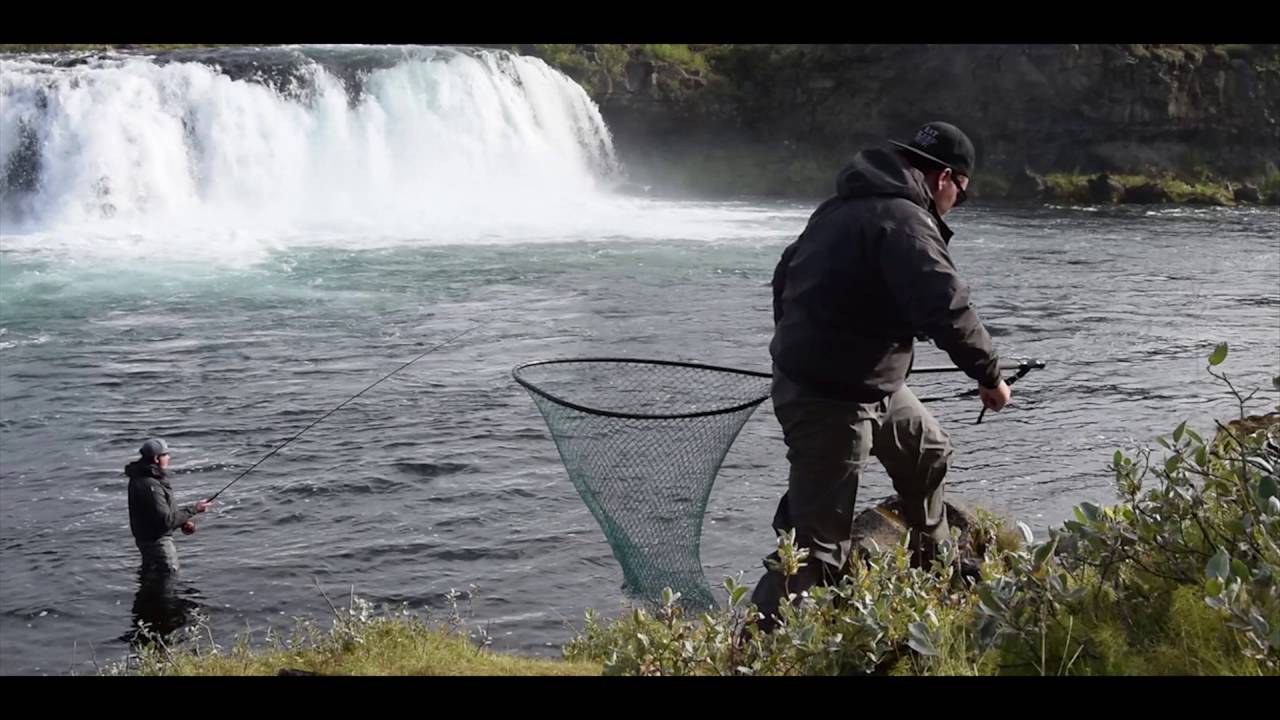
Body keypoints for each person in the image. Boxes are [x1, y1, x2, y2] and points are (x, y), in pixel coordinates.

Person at [750, 121, 1011, 628]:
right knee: (817, 545)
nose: (957, 202)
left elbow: (785, 277)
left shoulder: (843, 208)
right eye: (961, 192)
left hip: (873, 381)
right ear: (944, 178)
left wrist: (824, 340)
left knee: (928, 451)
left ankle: (937, 567)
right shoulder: (904, 220)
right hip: (829, 397)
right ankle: (756, 644)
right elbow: (946, 306)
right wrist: (990, 377)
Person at [125, 438, 212, 575]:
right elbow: (165, 521)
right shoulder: (150, 484)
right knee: (168, 579)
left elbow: (156, 514)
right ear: (156, 458)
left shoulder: (141, 477)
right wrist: (194, 509)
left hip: (147, 541)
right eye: (165, 454)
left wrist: (183, 521)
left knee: (151, 580)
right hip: (158, 544)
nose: (169, 457)